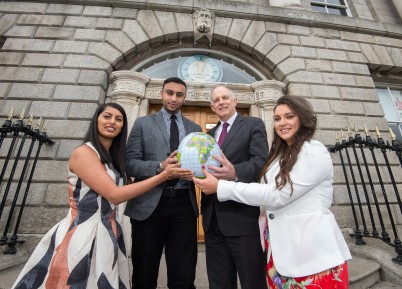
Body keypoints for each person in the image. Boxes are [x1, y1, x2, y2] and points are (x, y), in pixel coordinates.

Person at [12, 103, 193, 289]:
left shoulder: (113, 158)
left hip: (108, 230)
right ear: (96, 120)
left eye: (118, 119)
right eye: (107, 116)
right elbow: (115, 195)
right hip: (82, 232)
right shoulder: (84, 153)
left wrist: (163, 165)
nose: (112, 122)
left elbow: (131, 188)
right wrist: (163, 175)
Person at [194, 95, 352, 288]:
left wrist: (221, 186)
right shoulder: (280, 156)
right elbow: (264, 192)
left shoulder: (313, 151)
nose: (282, 123)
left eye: (289, 116)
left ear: (303, 119)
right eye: (277, 119)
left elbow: (278, 195)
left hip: (312, 257)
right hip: (279, 254)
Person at [124, 77, 202, 289]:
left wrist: (197, 173)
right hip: (149, 204)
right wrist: (159, 167)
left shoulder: (195, 128)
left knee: (184, 273)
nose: (173, 98)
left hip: (184, 204)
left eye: (179, 94)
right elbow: (130, 164)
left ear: (184, 97)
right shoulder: (142, 123)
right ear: (162, 93)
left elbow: (201, 164)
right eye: (169, 93)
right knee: (144, 271)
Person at [202, 85, 268, 289]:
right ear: (212, 107)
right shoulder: (208, 135)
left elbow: (261, 162)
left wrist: (235, 173)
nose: (221, 102)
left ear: (235, 101)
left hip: (242, 219)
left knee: (252, 282)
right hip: (213, 221)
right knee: (219, 283)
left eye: (225, 98)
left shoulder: (253, 124)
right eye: (216, 100)